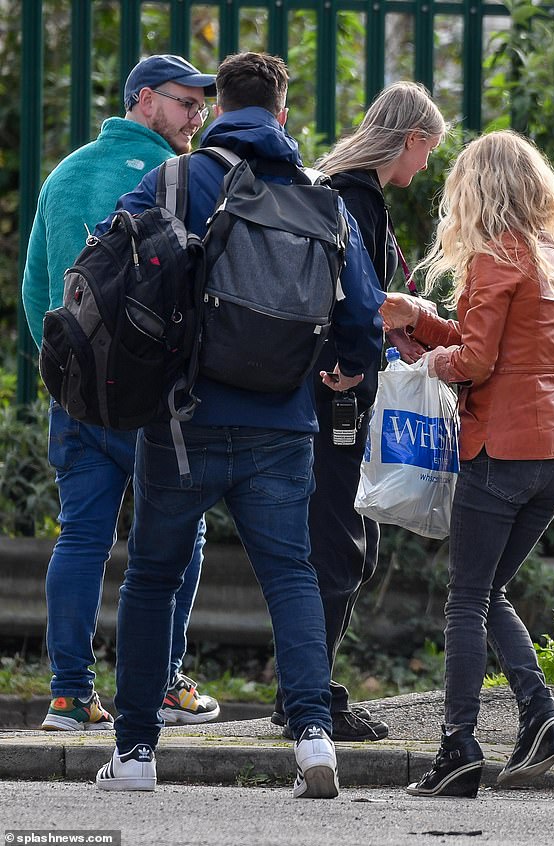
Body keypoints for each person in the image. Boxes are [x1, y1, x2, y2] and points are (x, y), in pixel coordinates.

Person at [93, 51, 385, 797]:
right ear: (282, 114)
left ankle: (133, 755)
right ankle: (315, 741)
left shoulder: (173, 180)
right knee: (291, 576)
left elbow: (108, 270)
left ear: (215, 108)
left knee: (152, 578)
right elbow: (363, 313)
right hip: (285, 425)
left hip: (182, 423)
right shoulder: (324, 196)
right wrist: (346, 365)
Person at [21, 54, 221, 732]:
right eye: (184, 102)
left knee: (80, 537)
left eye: (202, 104)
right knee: (179, 532)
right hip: (151, 399)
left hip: (74, 395)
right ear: (143, 101)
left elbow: (34, 292)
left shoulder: (63, 174)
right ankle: (164, 682)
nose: (197, 116)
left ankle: (69, 696)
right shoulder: (176, 178)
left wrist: (66, 373)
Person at [380, 129, 554, 797]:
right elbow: (496, 343)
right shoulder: (551, 259)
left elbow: (476, 362)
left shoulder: (496, 257)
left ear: (479, 190)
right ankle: (540, 714)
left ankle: (457, 747)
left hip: (500, 449)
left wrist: (430, 360)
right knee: (489, 591)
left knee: (466, 599)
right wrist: (422, 319)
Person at [270, 81, 445, 742]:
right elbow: (353, 297)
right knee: (339, 546)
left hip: (323, 392)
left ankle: (304, 690)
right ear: (411, 139)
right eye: (428, 149)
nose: (426, 164)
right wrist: (356, 354)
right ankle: (306, 698)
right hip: (337, 394)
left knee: (345, 540)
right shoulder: (355, 196)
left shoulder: (337, 185)